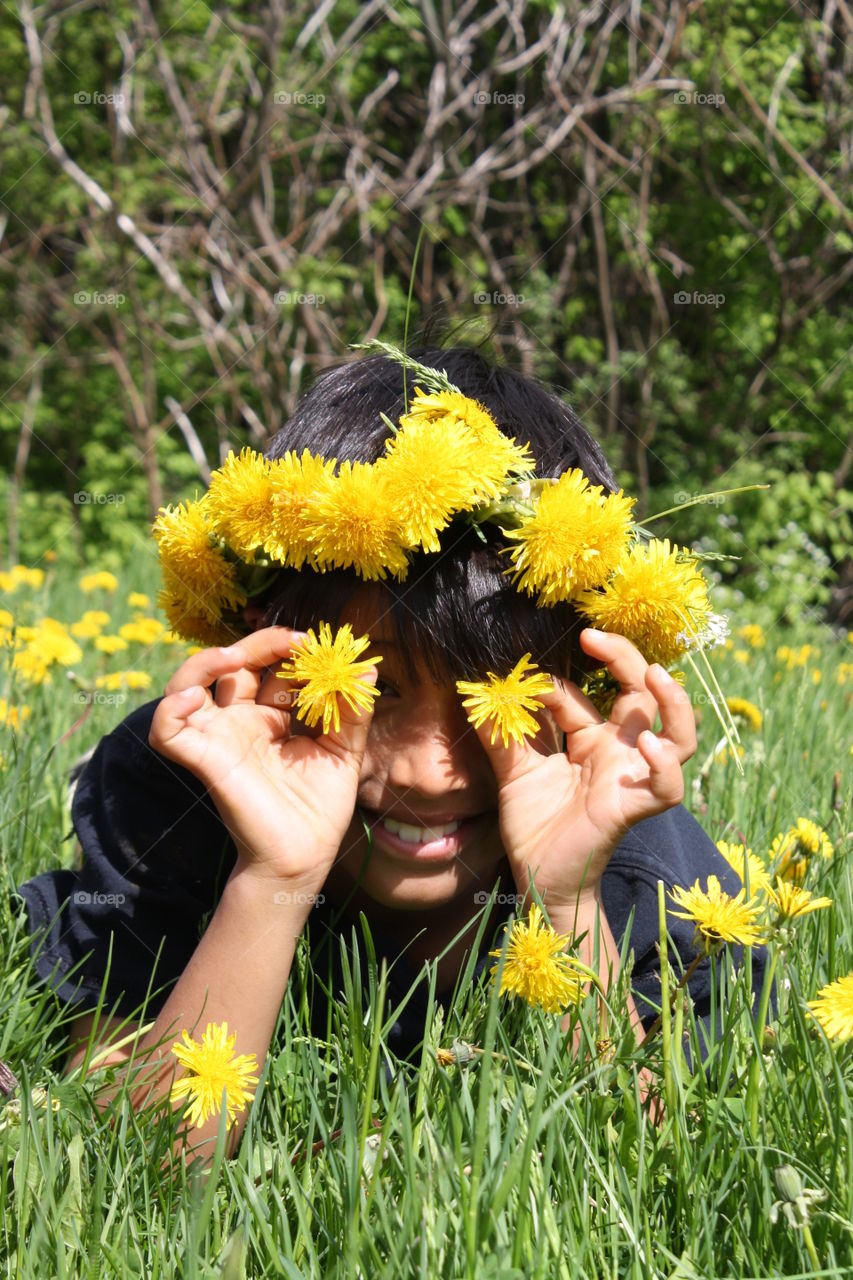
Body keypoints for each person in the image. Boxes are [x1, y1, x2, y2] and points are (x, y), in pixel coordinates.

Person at [11, 344, 764, 1161]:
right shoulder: (172, 793)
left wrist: (568, 900)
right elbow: (135, 1168)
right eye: (372, 685)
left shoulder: (641, 866)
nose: (423, 771)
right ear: (262, 654)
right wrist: (271, 878)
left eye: (495, 691)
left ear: (584, 688)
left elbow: (645, 1184)